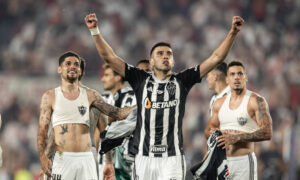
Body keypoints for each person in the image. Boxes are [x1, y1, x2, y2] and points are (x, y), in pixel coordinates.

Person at [85, 13, 244, 179]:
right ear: (151, 62)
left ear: (173, 61)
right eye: (160, 53)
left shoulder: (183, 80)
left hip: (172, 159)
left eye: (169, 53)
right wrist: (94, 30)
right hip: (144, 158)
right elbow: (109, 58)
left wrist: (233, 32)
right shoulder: (140, 79)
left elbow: (216, 58)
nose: (165, 56)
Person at [37, 51, 134, 180]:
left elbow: (117, 114)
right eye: (68, 64)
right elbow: (44, 131)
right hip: (62, 159)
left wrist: (143, 102)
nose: (73, 66)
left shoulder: (91, 96)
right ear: (59, 69)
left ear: (80, 69)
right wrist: (43, 158)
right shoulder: (50, 96)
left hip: (86, 159)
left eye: (76, 64)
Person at [205, 61, 273, 180]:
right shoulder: (219, 103)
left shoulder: (256, 101)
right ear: (227, 79)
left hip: (244, 162)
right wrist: (215, 134)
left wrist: (236, 138)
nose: (236, 77)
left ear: (246, 77)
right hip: (222, 162)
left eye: (240, 74)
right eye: (232, 74)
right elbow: (208, 131)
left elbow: (267, 132)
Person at [99, 64, 136, 180]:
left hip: (124, 160)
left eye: (107, 75)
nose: (102, 79)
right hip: (103, 158)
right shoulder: (102, 98)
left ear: (118, 77)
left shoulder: (130, 96)